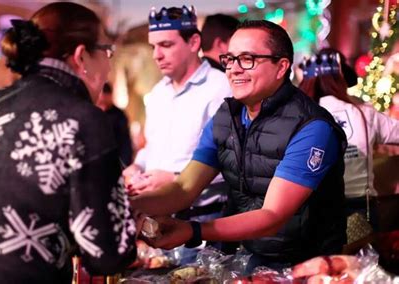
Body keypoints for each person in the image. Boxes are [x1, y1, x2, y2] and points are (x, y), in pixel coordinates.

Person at [0, 2, 136, 283]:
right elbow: (108, 254)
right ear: (81, 56)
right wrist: (128, 208)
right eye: (107, 52)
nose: (109, 67)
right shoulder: (83, 120)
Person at [130, 20, 347, 273]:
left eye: (247, 59)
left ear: (281, 67)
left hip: (311, 264)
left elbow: (272, 216)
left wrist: (193, 231)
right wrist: (129, 207)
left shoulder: (312, 127)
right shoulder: (226, 117)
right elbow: (184, 187)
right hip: (249, 258)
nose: (233, 69)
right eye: (229, 59)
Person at [123, 5, 231, 264]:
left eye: (166, 45)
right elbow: (153, 146)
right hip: (156, 217)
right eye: (153, 47)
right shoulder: (159, 92)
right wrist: (136, 166)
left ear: (194, 42)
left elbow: (231, 160)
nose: (157, 55)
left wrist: (173, 178)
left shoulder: (220, 87)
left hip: (204, 218)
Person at [298, 49, 399, 234]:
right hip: (360, 210)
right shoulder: (364, 113)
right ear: (340, 78)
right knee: (362, 262)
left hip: (312, 212)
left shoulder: (296, 116)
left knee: (321, 263)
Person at [96, 82, 133, 166]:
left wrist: (125, 164)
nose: (103, 106)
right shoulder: (93, 112)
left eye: (105, 101)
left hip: (115, 160)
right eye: (101, 102)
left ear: (110, 96)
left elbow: (125, 142)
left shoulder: (119, 115)